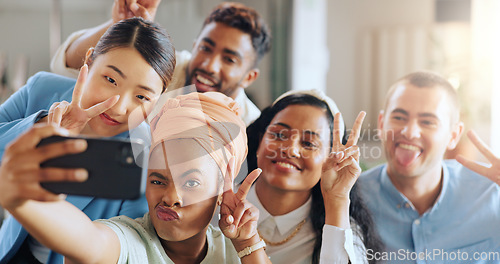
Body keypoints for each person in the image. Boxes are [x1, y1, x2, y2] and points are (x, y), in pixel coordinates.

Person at [0, 92, 271, 263]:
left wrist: (247, 244)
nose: (170, 198)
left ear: (223, 188)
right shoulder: (130, 241)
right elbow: (88, 242)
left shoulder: (236, 250)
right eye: (157, 180)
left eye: (191, 182)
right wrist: (22, 198)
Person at [0, 17, 176, 264]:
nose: (118, 107)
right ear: (89, 60)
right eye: (111, 80)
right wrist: (42, 129)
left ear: (158, 98)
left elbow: (125, 246)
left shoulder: (149, 160)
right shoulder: (41, 89)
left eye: (141, 96)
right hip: (10, 248)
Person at [51, 0, 271, 125]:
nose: (209, 65)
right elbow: (65, 64)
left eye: (229, 59)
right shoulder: (165, 69)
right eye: (205, 48)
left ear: (249, 77)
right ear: (194, 46)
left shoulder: (250, 124)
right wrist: (120, 24)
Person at [358, 71, 500, 263]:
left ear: (453, 135)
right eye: (399, 117)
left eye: (427, 122)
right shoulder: (351, 198)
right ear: (381, 124)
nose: (410, 132)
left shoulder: (492, 193)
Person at [245, 89, 383, 264]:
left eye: (308, 143)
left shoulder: (341, 228)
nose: (290, 149)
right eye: (279, 135)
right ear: (259, 141)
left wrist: (337, 199)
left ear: (330, 159)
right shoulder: (218, 206)